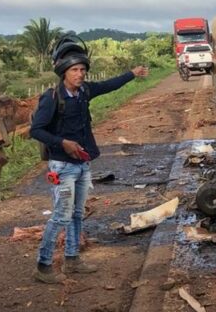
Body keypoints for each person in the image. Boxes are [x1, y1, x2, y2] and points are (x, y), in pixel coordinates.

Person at [30, 34, 149, 284]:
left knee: (76, 213)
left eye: (82, 69)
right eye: (74, 69)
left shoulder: (84, 91)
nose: (80, 74)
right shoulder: (51, 98)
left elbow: (109, 85)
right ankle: (43, 265)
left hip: (83, 165)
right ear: (64, 72)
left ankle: (73, 259)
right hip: (62, 166)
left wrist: (132, 73)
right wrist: (62, 143)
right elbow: (36, 130)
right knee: (61, 215)